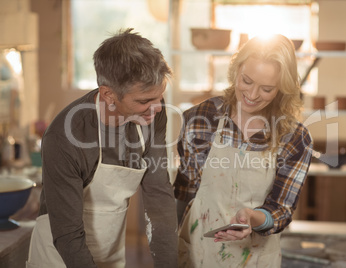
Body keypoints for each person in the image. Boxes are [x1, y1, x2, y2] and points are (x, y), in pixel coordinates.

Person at [26, 28, 177, 268]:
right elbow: (67, 234)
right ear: (108, 94)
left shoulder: (152, 113)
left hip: (111, 255)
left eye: (160, 96)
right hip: (60, 258)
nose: (157, 107)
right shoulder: (65, 136)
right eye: (144, 101)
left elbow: (159, 195)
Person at [174, 34, 313, 267]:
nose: (252, 94)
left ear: (282, 88)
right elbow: (185, 192)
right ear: (236, 70)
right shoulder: (200, 118)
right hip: (197, 253)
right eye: (247, 80)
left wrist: (252, 218)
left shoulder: (294, 138)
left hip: (255, 258)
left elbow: (281, 210)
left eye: (267, 88)